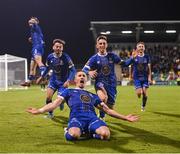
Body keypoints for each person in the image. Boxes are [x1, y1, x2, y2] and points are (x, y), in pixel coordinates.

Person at [27, 71, 139, 141]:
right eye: (79, 76)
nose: (81, 77)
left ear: (86, 80)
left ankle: (91, 133)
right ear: (75, 80)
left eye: (83, 76)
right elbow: (54, 104)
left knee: (106, 134)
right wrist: (39, 110)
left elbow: (108, 110)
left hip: (92, 119)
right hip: (77, 119)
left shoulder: (92, 95)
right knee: (74, 135)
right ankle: (67, 130)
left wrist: (125, 117)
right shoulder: (68, 91)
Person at [82, 35, 122, 120]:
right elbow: (84, 69)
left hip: (111, 83)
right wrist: (89, 72)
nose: (102, 45)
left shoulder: (112, 56)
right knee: (103, 98)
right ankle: (101, 116)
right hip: (100, 83)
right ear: (97, 45)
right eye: (100, 43)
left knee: (110, 107)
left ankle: (102, 114)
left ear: (106, 45)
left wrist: (133, 59)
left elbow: (124, 63)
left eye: (104, 43)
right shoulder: (93, 58)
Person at [37, 39, 76, 118]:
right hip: (53, 81)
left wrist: (68, 80)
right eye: (57, 46)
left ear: (62, 48)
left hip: (63, 83)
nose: (58, 48)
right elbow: (47, 68)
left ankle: (61, 102)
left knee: (60, 99)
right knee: (48, 97)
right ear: (53, 47)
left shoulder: (66, 57)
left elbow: (73, 70)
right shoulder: (50, 57)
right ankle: (50, 113)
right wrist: (42, 77)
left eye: (60, 47)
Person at [122, 42, 152, 111]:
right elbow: (127, 64)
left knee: (144, 93)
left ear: (144, 48)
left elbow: (149, 68)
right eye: (139, 46)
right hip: (137, 78)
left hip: (144, 78)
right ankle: (138, 91)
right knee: (139, 94)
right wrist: (132, 57)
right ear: (137, 48)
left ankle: (143, 106)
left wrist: (149, 77)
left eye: (142, 46)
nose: (141, 47)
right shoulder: (134, 56)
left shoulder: (147, 57)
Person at [21, 17, 46, 87]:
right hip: (35, 47)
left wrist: (32, 20)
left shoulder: (36, 27)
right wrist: (31, 39)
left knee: (39, 62)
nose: (31, 21)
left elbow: (33, 22)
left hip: (37, 47)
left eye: (33, 20)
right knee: (32, 67)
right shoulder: (34, 31)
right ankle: (29, 82)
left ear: (36, 22)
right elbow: (38, 38)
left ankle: (44, 75)